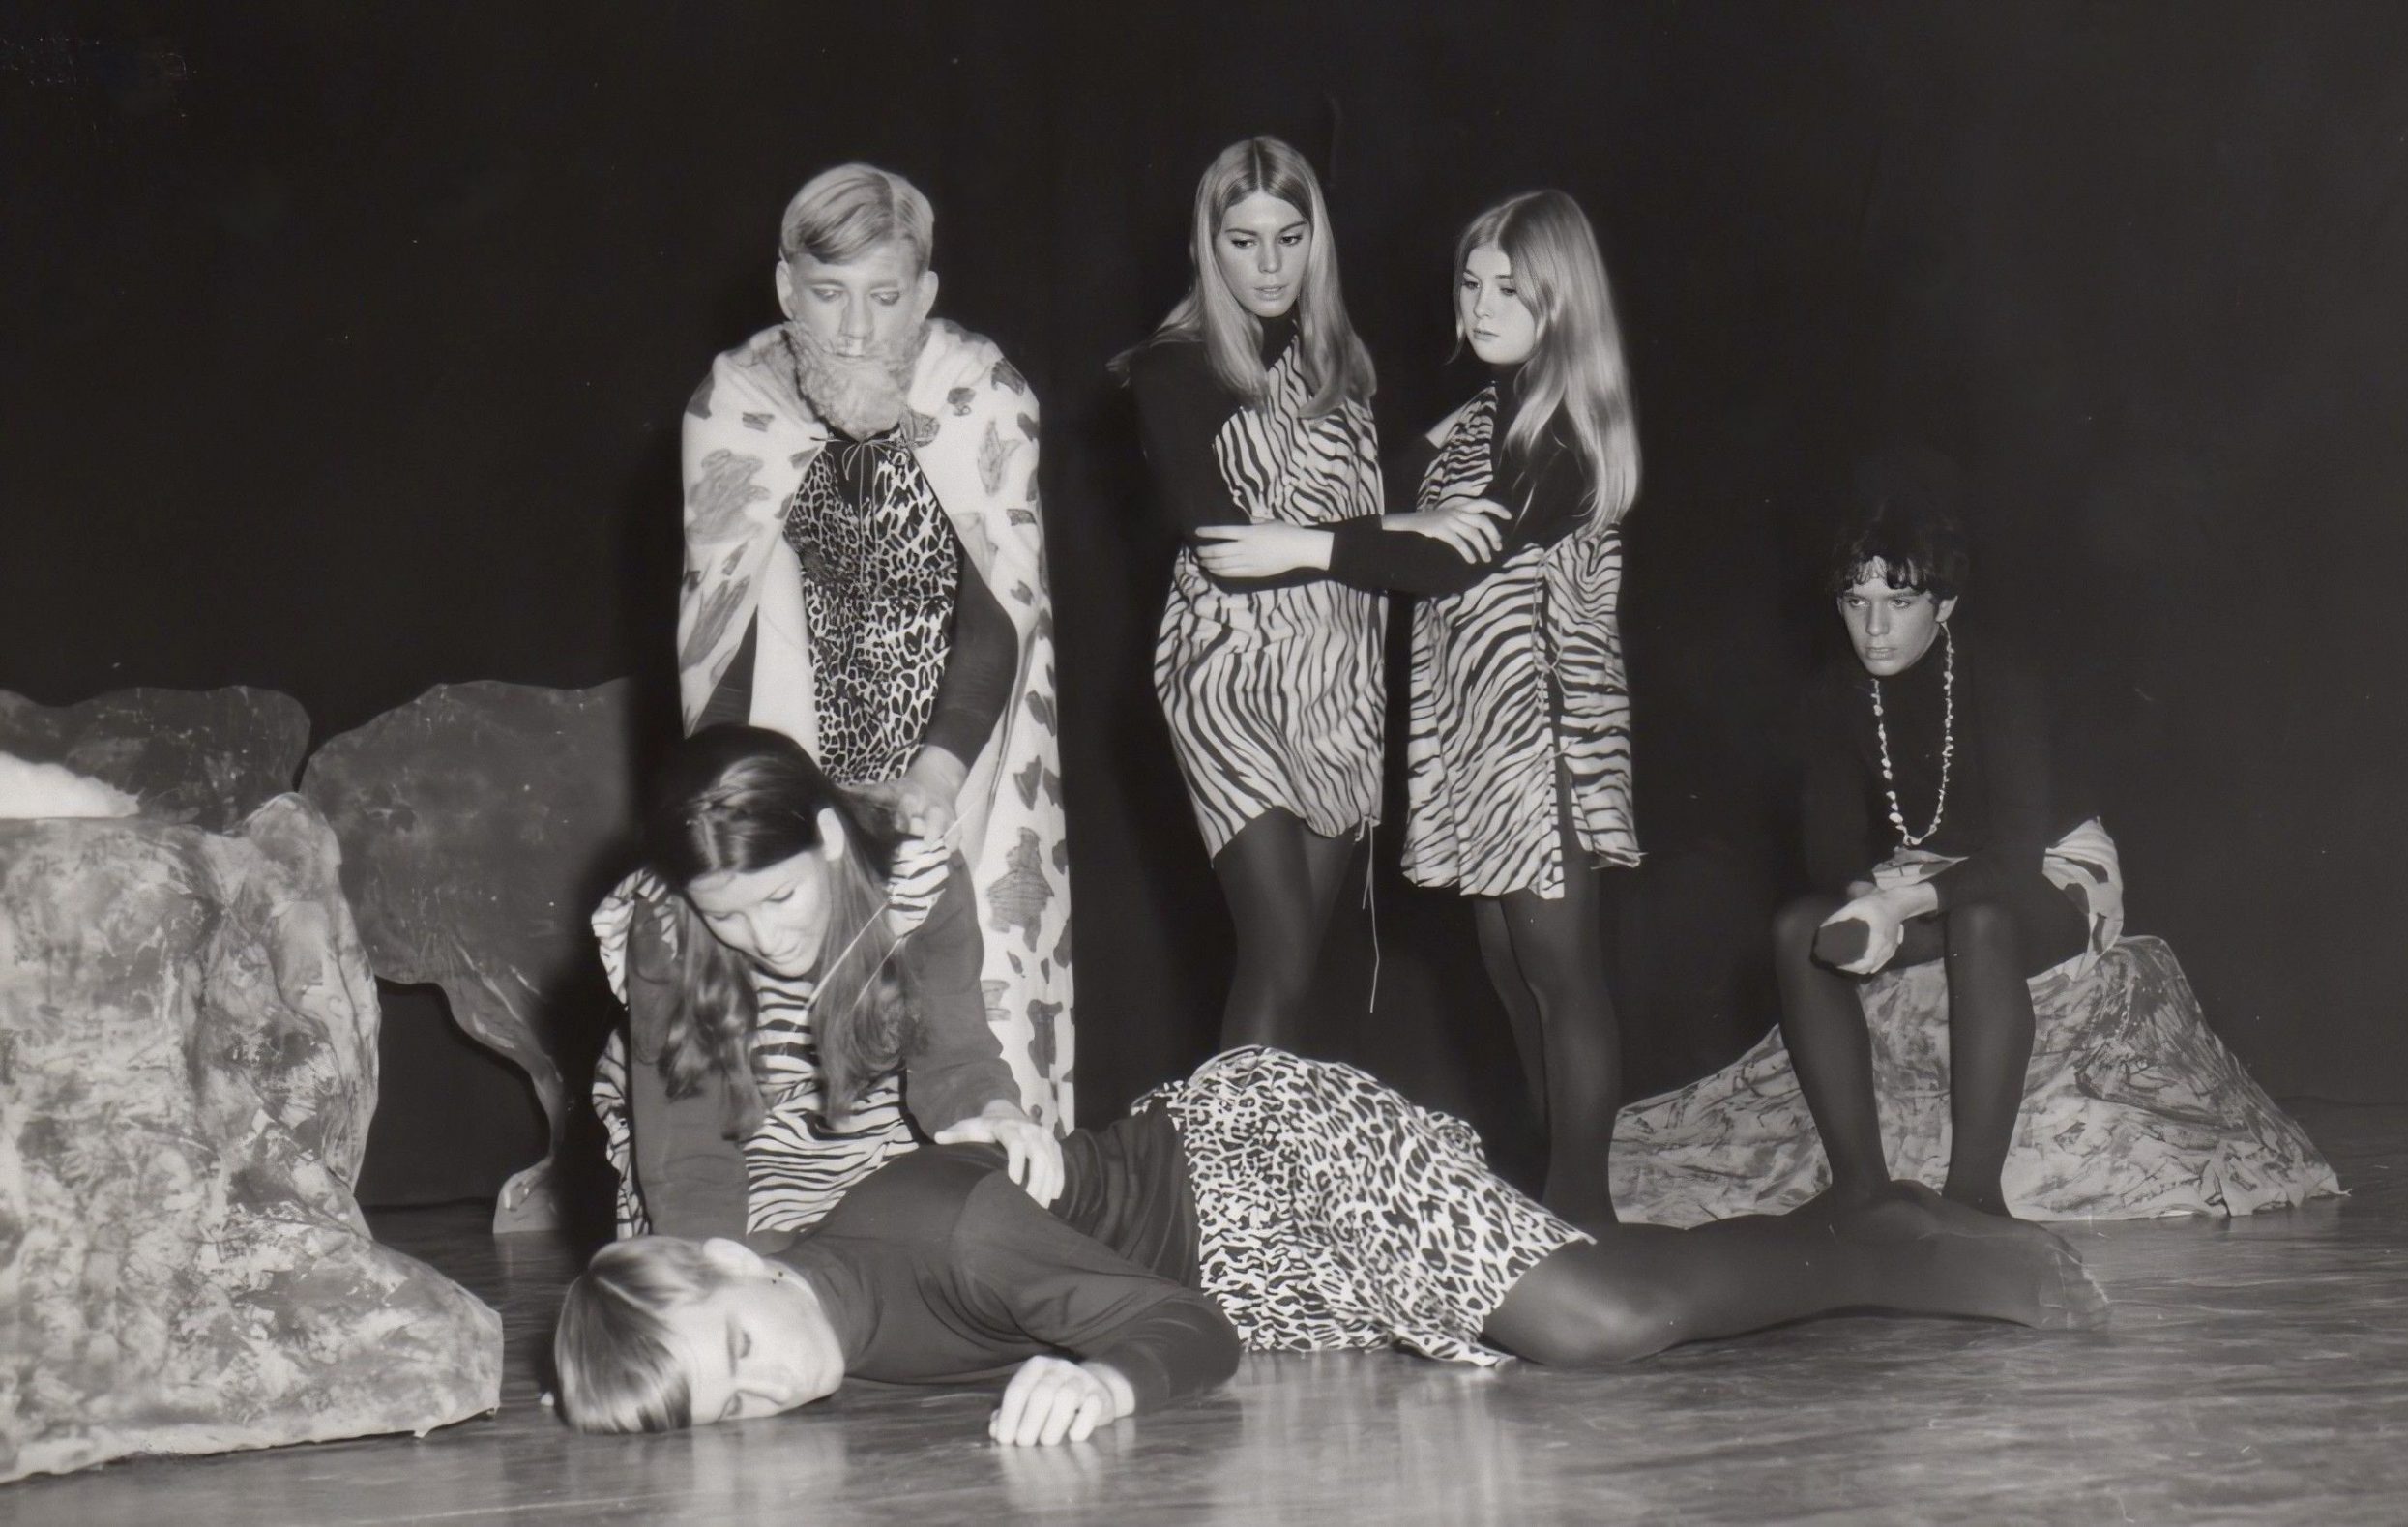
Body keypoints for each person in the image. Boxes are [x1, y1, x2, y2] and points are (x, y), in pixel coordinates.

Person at [554, 1045, 2106, 1444]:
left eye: (741, 1350)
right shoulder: (805, 1325)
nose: (767, 1390)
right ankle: (1837, 1230)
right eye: (728, 1404)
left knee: (1592, 1321)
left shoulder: (934, 1227)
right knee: (1556, 1294)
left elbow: (1186, 1333)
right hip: (1226, 1254)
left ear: (743, 1257)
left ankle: (1879, 1236)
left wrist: (1106, 1381)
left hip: (1258, 1157)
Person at [1194, 191, 1640, 1222]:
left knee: (1558, 971)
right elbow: (1394, 508)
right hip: (1475, 735)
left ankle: (1585, 1212)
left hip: (1545, 735)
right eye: (1470, 283)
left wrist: (1296, 546)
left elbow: (1450, 557)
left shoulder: (1564, 430)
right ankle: (1558, 1193)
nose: (1480, 305)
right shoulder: (1481, 418)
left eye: (1509, 289)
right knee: (1509, 965)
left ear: (1561, 300)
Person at [670, 162, 1070, 1135]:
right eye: (828, 293)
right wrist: (732, 800)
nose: (855, 329)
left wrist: (935, 776)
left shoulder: (981, 394)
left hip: (961, 742)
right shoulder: (737, 403)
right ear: (785, 287)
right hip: (802, 744)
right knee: (796, 1029)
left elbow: (999, 612)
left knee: (964, 1011)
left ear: (924, 294)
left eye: (884, 297)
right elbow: (724, 629)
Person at [1772, 493, 2123, 1218]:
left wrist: (1897, 903)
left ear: (1946, 605)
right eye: (1856, 601)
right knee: (1797, 928)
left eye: (1899, 602)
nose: (1874, 627)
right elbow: (1830, 843)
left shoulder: (2002, 678)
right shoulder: (1834, 690)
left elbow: (2015, 856)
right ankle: (1860, 1185)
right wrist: (1865, 896)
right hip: (1928, 866)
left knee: (1981, 921)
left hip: (2050, 866)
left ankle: (1974, 1198)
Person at [588, 725, 1064, 1245]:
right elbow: (689, 1160)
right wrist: (715, 1266)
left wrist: (996, 1113)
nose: (766, 940)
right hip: (726, 1145)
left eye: (781, 897)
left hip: (883, 1116)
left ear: (830, 836)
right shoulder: (665, 936)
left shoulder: (918, 884)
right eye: (723, 916)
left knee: (949, 1238)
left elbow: (955, 1060)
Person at [1117, 137, 1386, 1052]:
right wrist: (1389, 543)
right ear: (1210, 244)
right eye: (1243, 240)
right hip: (1229, 673)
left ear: (1318, 241)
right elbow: (1228, 545)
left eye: (1289, 237)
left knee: (1299, 968)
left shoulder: (1343, 370)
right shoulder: (1173, 367)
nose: (1270, 264)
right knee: (1277, 950)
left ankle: (1265, 1135)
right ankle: (1234, 1150)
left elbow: (1379, 530)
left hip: (1338, 681)